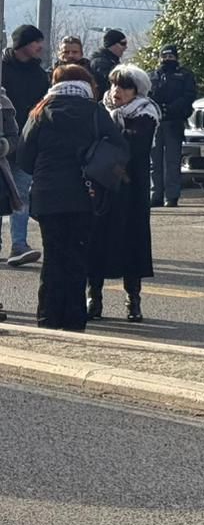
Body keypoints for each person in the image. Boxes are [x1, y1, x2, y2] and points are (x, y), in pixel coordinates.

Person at [18, 65, 121, 331]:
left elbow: (24, 157)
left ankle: (47, 318)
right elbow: (119, 148)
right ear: (87, 84)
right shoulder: (95, 112)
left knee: (53, 257)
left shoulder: (40, 111)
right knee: (77, 256)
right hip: (84, 194)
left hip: (47, 194)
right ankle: (74, 321)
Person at [89, 64, 160, 323]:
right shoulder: (101, 110)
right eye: (114, 85)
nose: (117, 91)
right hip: (103, 185)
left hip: (132, 187)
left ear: (136, 91)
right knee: (97, 240)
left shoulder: (146, 113)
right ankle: (93, 297)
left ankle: (133, 299)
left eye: (124, 87)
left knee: (133, 241)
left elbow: (132, 147)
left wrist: (108, 138)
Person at [2, 24, 51, 265]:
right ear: (22, 43)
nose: (40, 46)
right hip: (2, 142)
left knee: (21, 193)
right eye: (35, 42)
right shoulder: (2, 69)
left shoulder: (39, 74)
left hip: (25, 141)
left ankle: (19, 245)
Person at [148, 45, 197, 208]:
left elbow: (189, 96)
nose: (167, 60)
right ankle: (155, 194)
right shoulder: (152, 76)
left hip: (174, 122)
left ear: (176, 58)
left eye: (170, 57)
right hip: (155, 122)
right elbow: (145, 95)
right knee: (154, 161)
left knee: (172, 161)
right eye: (164, 57)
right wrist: (156, 108)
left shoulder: (184, 75)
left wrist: (172, 108)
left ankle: (172, 196)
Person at [87, 29, 126, 101]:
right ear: (112, 45)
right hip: (103, 103)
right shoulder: (100, 63)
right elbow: (110, 83)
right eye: (123, 43)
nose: (125, 47)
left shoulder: (111, 61)